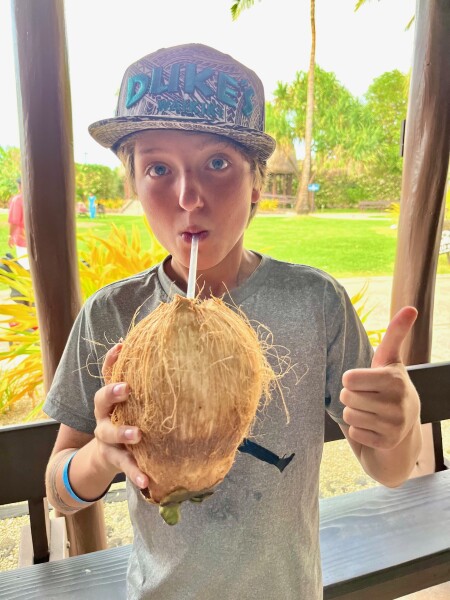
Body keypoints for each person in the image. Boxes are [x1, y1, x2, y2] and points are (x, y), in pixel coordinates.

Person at [44, 44, 422, 600]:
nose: (188, 196)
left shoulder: (315, 303)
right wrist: (102, 456)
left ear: (256, 186)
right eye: (157, 168)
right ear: (133, 186)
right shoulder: (111, 315)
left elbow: (389, 470)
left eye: (216, 163)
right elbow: (58, 491)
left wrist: (402, 426)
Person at [8, 177, 29, 270]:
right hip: (38, 238)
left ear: (20, 187)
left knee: (24, 265)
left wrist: (10, 236)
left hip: (22, 237)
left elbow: (14, 221)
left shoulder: (17, 200)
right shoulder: (36, 199)